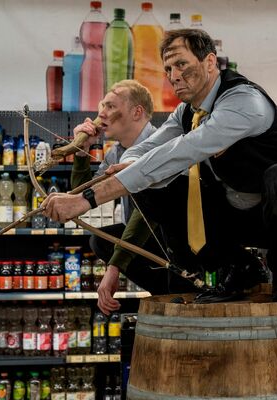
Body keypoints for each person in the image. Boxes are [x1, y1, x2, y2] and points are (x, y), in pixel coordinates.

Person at [43, 28, 277, 304]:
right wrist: (129, 163)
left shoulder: (242, 101)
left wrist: (86, 200)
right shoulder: (186, 113)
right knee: (154, 188)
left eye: (181, 64)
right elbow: (149, 146)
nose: (174, 76)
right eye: (168, 69)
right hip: (246, 218)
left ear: (209, 62)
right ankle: (241, 267)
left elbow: (182, 150)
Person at [70, 79, 197, 313]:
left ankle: (183, 295)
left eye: (110, 106)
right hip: (142, 238)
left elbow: (150, 209)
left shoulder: (164, 145)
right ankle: (164, 296)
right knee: (100, 240)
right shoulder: (115, 153)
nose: (101, 113)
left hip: (180, 241)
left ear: (137, 111)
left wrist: (115, 267)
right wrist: (82, 152)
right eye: (101, 106)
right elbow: (79, 201)